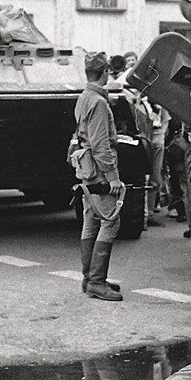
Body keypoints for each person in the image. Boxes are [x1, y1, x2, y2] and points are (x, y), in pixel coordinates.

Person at [72, 52, 125, 302]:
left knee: (91, 221)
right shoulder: (99, 102)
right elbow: (100, 144)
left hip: (86, 169)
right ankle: (96, 281)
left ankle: (89, 278)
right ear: (104, 72)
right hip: (98, 172)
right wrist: (113, 177)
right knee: (110, 222)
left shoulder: (84, 97)